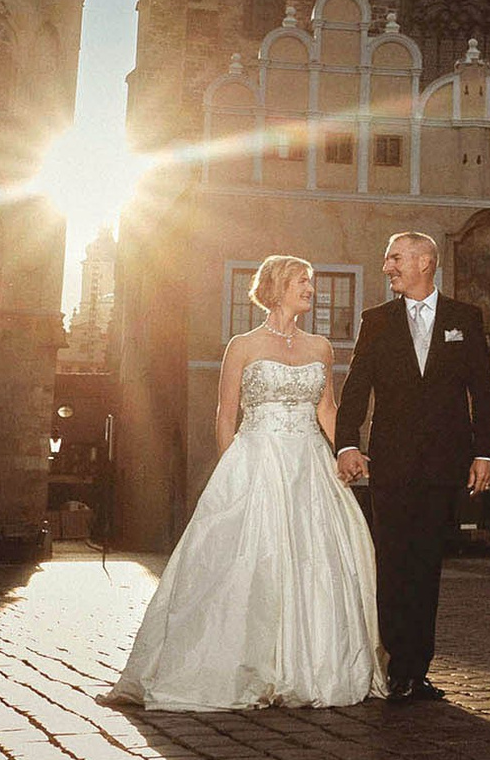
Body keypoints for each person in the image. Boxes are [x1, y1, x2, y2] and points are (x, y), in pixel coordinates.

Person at [109, 254, 383, 710]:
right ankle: (232, 664)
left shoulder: (321, 348)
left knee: (316, 561)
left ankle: (309, 667)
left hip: (309, 467)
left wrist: (345, 450)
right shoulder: (243, 345)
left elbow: (327, 410)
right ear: (276, 286)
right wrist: (228, 466)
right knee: (248, 561)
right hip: (256, 458)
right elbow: (226, 411)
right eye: (303, 281)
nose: (311, 290)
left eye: (310, 282)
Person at [335, 231, 490, 704]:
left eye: (395, 258)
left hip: (444, 464)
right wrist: (348, 443)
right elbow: (356, 388)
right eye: (387, 259)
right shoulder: (376, 321)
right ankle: (397, 665)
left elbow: (480, 392)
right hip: (390, 462)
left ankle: (417, 669)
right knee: (392, 563)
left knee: (427, 566)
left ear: (426, 262)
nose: (387, 267)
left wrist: (484, 453)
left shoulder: (466, 319)